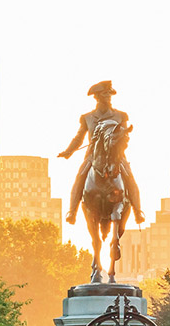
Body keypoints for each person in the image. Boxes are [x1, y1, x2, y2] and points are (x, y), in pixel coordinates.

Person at [58, 81, 145, 226]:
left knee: (129, 178)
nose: (109, 97)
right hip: (93, 157)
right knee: (80, 177)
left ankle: (138, 211)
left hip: (116, 156)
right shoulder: (87, 118)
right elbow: (79, 138)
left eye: (110, 94)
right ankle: (72, 212)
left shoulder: (120, 116)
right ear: (97, 97)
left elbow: (125, 135)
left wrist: (121, 142)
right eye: (105, 94)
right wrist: (68, 151)